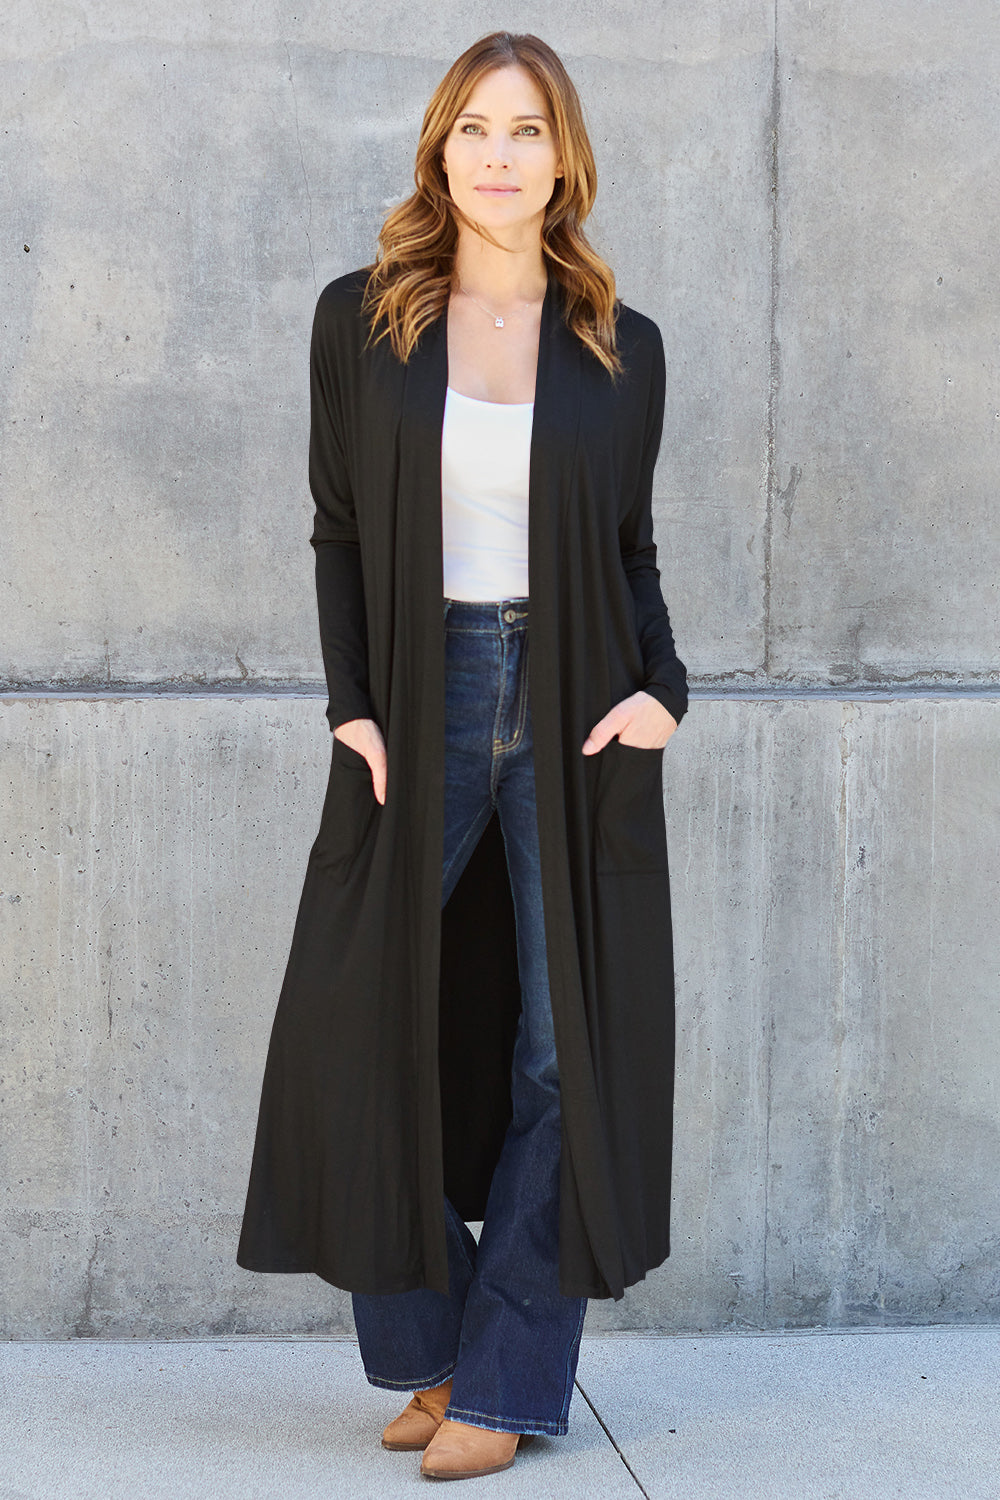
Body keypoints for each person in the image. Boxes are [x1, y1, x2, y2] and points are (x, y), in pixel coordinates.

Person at [236, 30, 688, 1482]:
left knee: (567, 1062)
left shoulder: (622, 346)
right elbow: (339, 530)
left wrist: (665, 690)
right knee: (356, 1027)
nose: (499, 154)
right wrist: (350, 703)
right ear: (441, 150)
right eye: (474, 127)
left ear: (566, 160)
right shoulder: (360, 320)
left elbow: (629, 551)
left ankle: (506, 1380)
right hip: (418, 699)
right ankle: (432, 1351)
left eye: (528, 130)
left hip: (575, 706)